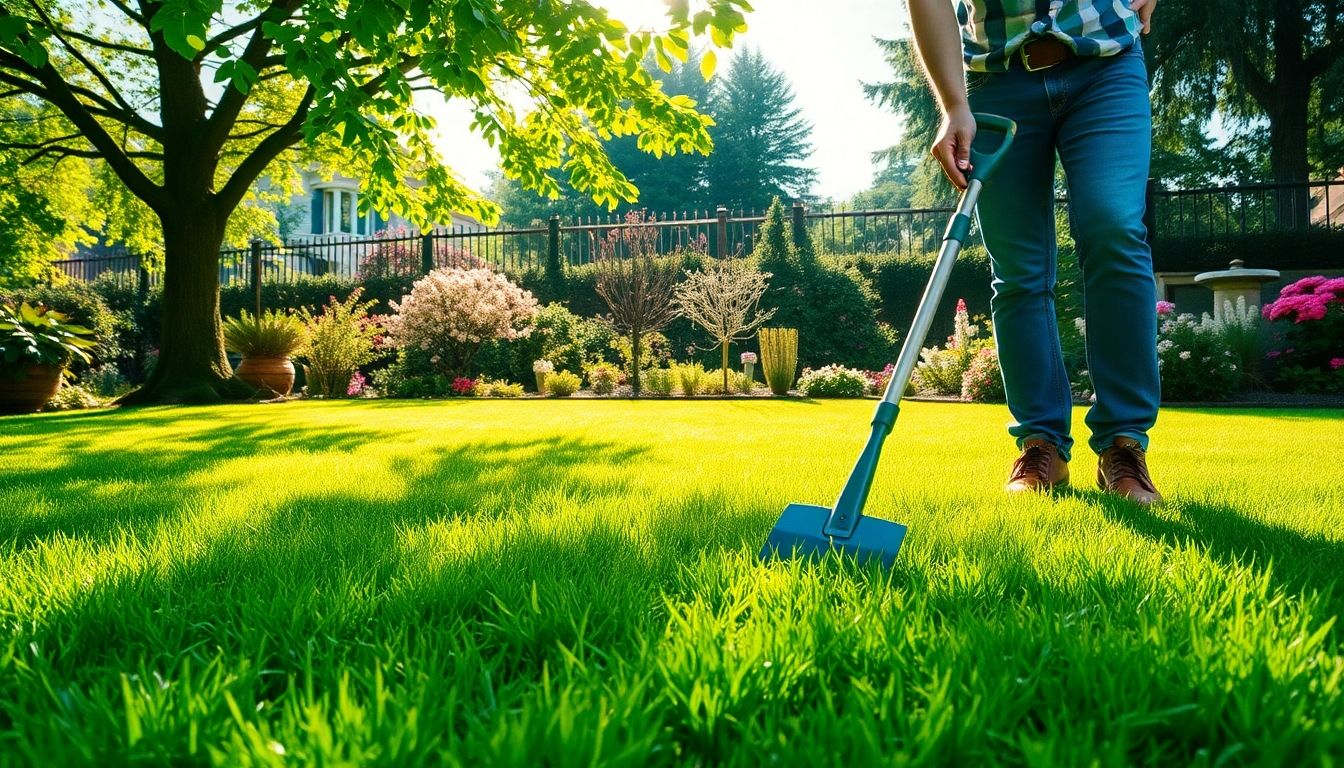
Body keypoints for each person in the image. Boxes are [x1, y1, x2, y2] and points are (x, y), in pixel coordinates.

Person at [907, 0, 1164, 504]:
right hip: (997, 77)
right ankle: (1042, 442)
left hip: (1106, 63)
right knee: (1019, 268)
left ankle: (1123, 445)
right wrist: (953, 105)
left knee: (1114, 227)